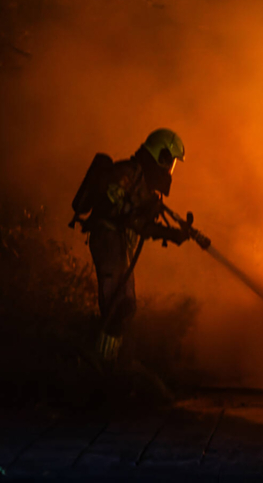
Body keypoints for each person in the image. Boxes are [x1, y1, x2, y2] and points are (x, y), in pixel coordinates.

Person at [85, 129, 191, 362]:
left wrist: (174, 234)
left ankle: (108, 361)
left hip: (118, 242)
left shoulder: (142, 183)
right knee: (118, 307)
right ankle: (99, 366)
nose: (169, 169)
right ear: (160, 155)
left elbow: (141, 225)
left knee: (125, 307)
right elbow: (120, 215)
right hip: (108, 239)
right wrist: (161, 227)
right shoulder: (126, 174)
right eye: (170, 161)